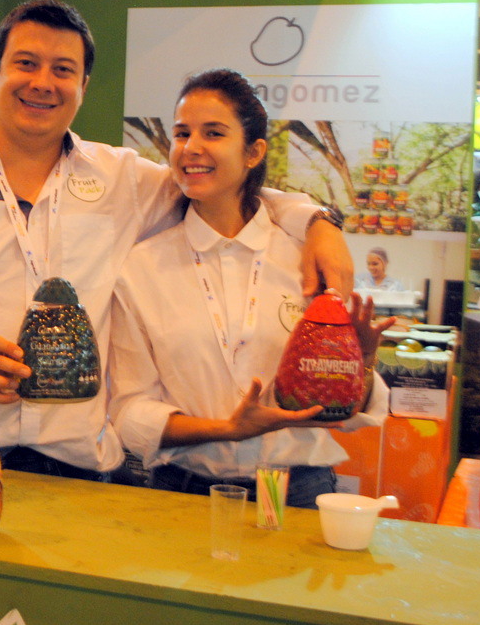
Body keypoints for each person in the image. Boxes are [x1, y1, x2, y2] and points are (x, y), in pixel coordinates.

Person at [0, 0, 353, 480]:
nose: (42, 83)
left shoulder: (122, 180)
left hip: (77, 466)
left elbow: (221, 184)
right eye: (26, 63)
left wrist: (319, 222)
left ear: (83, 85)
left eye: (63, 70)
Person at [108, 69, 390, 506]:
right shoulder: (140, 268)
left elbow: (342, 413)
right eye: (181, 133)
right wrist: (227, 430)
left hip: (298, 490)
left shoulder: (307, 259)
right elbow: (128, 410)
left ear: (254, 152)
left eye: (213, 133)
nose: (191, 147)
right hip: (184, 491)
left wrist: (362, 364)